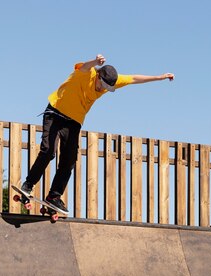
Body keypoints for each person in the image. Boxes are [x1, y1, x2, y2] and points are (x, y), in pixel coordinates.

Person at [21, 54, 174, 212]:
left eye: (107, 88)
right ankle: (28, 185)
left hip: (74, 122)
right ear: (99, 76)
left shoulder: (111, 81)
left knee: (69, 160)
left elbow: (134, 78)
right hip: (55, 113)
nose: (103, 90)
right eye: (103, 85)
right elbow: (85, 66)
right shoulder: (87, 73)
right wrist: (95, 62)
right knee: (48, 151)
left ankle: (54, 196)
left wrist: (159, 77)